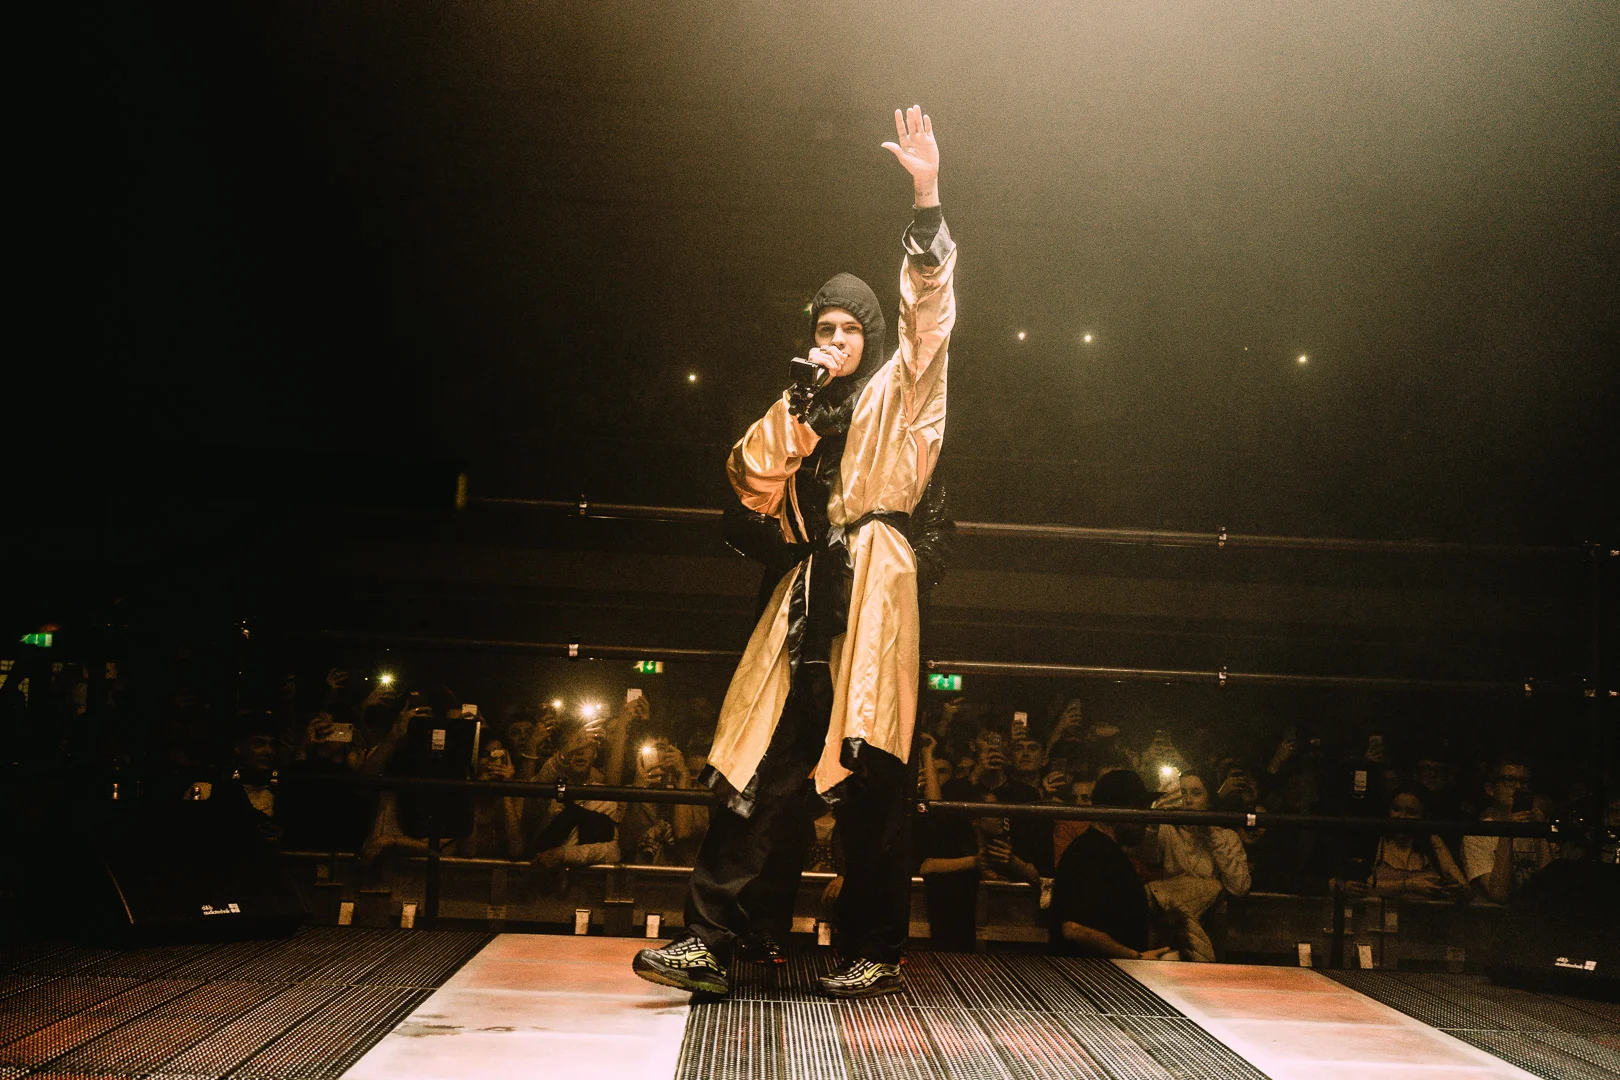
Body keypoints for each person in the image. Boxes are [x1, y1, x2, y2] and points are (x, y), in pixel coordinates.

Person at [634, 104, 956, 1000]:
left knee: (872, 778)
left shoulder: (905, 390)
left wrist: (926, 198)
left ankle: (874, 945)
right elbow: (747, 481)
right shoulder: (801, 404)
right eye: (824, 330)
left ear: (871, 339)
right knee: (760, 764)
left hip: (875, 592)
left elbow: (928, 317)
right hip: (808, 594)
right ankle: (709, 939)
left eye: (849, 331)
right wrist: (797, 407)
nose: (836, 343)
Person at [1050, 769, 1172, 960]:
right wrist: (1136, 957)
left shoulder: (1106, 852)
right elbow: (1074, 929)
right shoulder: (1089, 852)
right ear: (1118, 812)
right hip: (1092, 976)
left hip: (1104, 975)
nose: (1145, 820)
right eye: (1139, 809)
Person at [1147, 769, 1250, 962]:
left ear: (1209, 799)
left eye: (1196, 793)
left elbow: (1240, 887)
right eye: (1182, 793)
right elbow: (1144, 853)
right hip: (1170, 923)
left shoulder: (1226, 836)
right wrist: (1155, 815)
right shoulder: (1168, 831)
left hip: (1210, 926)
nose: (1188, 801)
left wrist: (1211, 831)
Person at [1344, 789, 1468, 900]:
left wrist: (1457, 891)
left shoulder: (1432, 842)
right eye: (1396, 810)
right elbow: (1360, 887)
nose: (1402, 817)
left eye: (1411, 812)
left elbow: (1464, 888)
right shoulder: (1375, 841)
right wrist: (1409, 885)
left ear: (1423, 816)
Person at [1463, 756, 1551, 903]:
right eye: (1509, 780)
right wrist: (1507, 831)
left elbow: (1550, 887)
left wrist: (1540, 831)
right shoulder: (1478, 834)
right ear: (1490, 789)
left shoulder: (1536, 826)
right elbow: (1499, 894)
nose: (1518, 786)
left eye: (1523, 782)